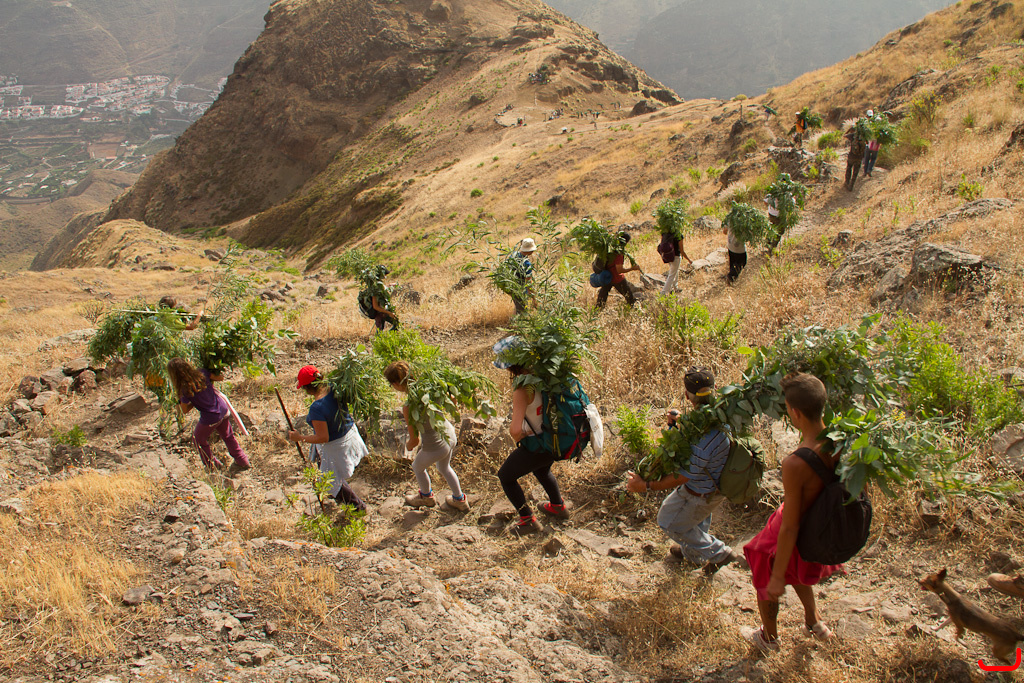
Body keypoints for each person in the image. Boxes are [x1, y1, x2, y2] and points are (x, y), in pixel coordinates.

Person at [741, 373, 845, 652]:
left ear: (795, 412)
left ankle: (769, 639)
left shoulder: (796, 463)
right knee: (797, 570)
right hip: (822, 525)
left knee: (763, 559)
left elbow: (790, 527)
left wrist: (777, 577)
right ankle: (814, 622)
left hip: (799, 529)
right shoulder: (841, 442)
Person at [626, 368, 741, 574]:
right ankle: (693, 555)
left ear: (687, 395)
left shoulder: (704, 437)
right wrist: (679, 423)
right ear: (715, 389)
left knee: (668, 521)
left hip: (699, 493)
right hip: (713, 486)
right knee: (696, 520)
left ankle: (720, 553)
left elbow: (682, 476)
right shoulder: (719, 418)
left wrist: (646, 485)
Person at [493, 338, 569, 536]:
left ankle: (527, 520)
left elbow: (515, 430)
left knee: (505, 476)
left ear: (511, 365)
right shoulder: (546, 376)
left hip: (537, 445)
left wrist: (521, 435)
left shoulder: (522, 389)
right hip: (553, 439)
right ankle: (558, 506)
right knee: (542, 470)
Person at [384, 361, 469, 511]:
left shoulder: (409, 406)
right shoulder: (430, 388)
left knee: (417, 467)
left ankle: (426, 497)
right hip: (449, 435)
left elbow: (415, 440)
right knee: (444, 467)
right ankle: (459, 499)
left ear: (396, 384)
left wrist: (407, 446)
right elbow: (452, 398)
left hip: (436, 446)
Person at [289, 365, 368, 511]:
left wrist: (300, 437)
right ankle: (350, 504)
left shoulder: (317, 408)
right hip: (350, 434)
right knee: (332, 477)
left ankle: (357, 507)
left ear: (307, 388)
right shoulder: (334, 387)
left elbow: (323, 437)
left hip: (337, 446)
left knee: (331, 481)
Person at [168, 357, 250, 471]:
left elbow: (184, 410)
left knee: (198, 440)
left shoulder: (185, 389)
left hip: (211, 416)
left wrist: (193, 401)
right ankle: (242, 460)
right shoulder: (201, 373)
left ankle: (213, 466)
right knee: (228, 436)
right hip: (222, 408)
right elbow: (220, 378)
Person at [596, 232, 641, 308]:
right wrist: (632, 268)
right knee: (629, 296)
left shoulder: (609, 248)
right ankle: (632, 307)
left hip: (606, 276)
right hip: (616, 278)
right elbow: (619, 270)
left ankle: (598, 310)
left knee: (602, 295)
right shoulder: (618, 253)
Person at [508, 238, 537, 315]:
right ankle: (517, 321)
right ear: (530, 250)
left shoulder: (513, 255)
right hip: (519, 288)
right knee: (521, 310)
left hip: (511, 286)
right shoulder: (526, 263)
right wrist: (534, 298)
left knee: (518, 305)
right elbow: (529, 282)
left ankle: (514, 319)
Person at [659, 231, 693, 296]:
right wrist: (689, 260)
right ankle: (663, 292)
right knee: (671, 275)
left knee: (675, 271)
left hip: (668, 256)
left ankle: (675, 288)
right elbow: (682, 251)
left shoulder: (665, 233)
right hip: (676, 257)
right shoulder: (679, 235)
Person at [844, 126, 866, 191]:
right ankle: (851, 185)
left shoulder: (852, 135)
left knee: (849, 168)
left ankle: (847, 182)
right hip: (859, 157)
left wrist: (848, 130)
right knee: (855, 172)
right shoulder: (864, 136)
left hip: (851, 156)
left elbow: (844, 135)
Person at [862, 111, 879, 178]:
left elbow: (864, 135)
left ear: (866, 116)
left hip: (868, 145)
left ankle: (865, 172)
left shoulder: (866, 125)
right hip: (876, 147)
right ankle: (869, 170)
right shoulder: (878, 127)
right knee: (873, 159)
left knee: (866, 159)